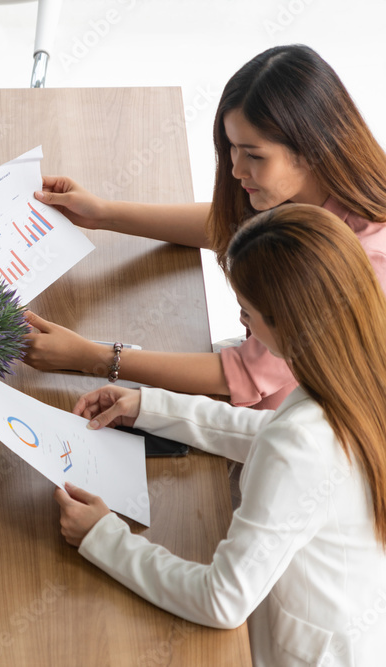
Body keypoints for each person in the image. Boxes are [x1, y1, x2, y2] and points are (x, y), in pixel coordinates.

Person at [54, 204, 386, 665]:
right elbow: (271, 432)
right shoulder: (363, 368)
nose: (242, 328)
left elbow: (222, 600)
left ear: (288, 322)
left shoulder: (305, 443)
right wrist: (150, 406)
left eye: (247, 314)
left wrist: (102, 536)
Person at [22, 45, 386, 410]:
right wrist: (103, 214)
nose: (236, 169)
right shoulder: (310, 194)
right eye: (231, 147)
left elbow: (244, 374)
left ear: (311, 146)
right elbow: (230, 225)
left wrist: (92, 357)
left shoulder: (360, 260)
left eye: (254, 155)